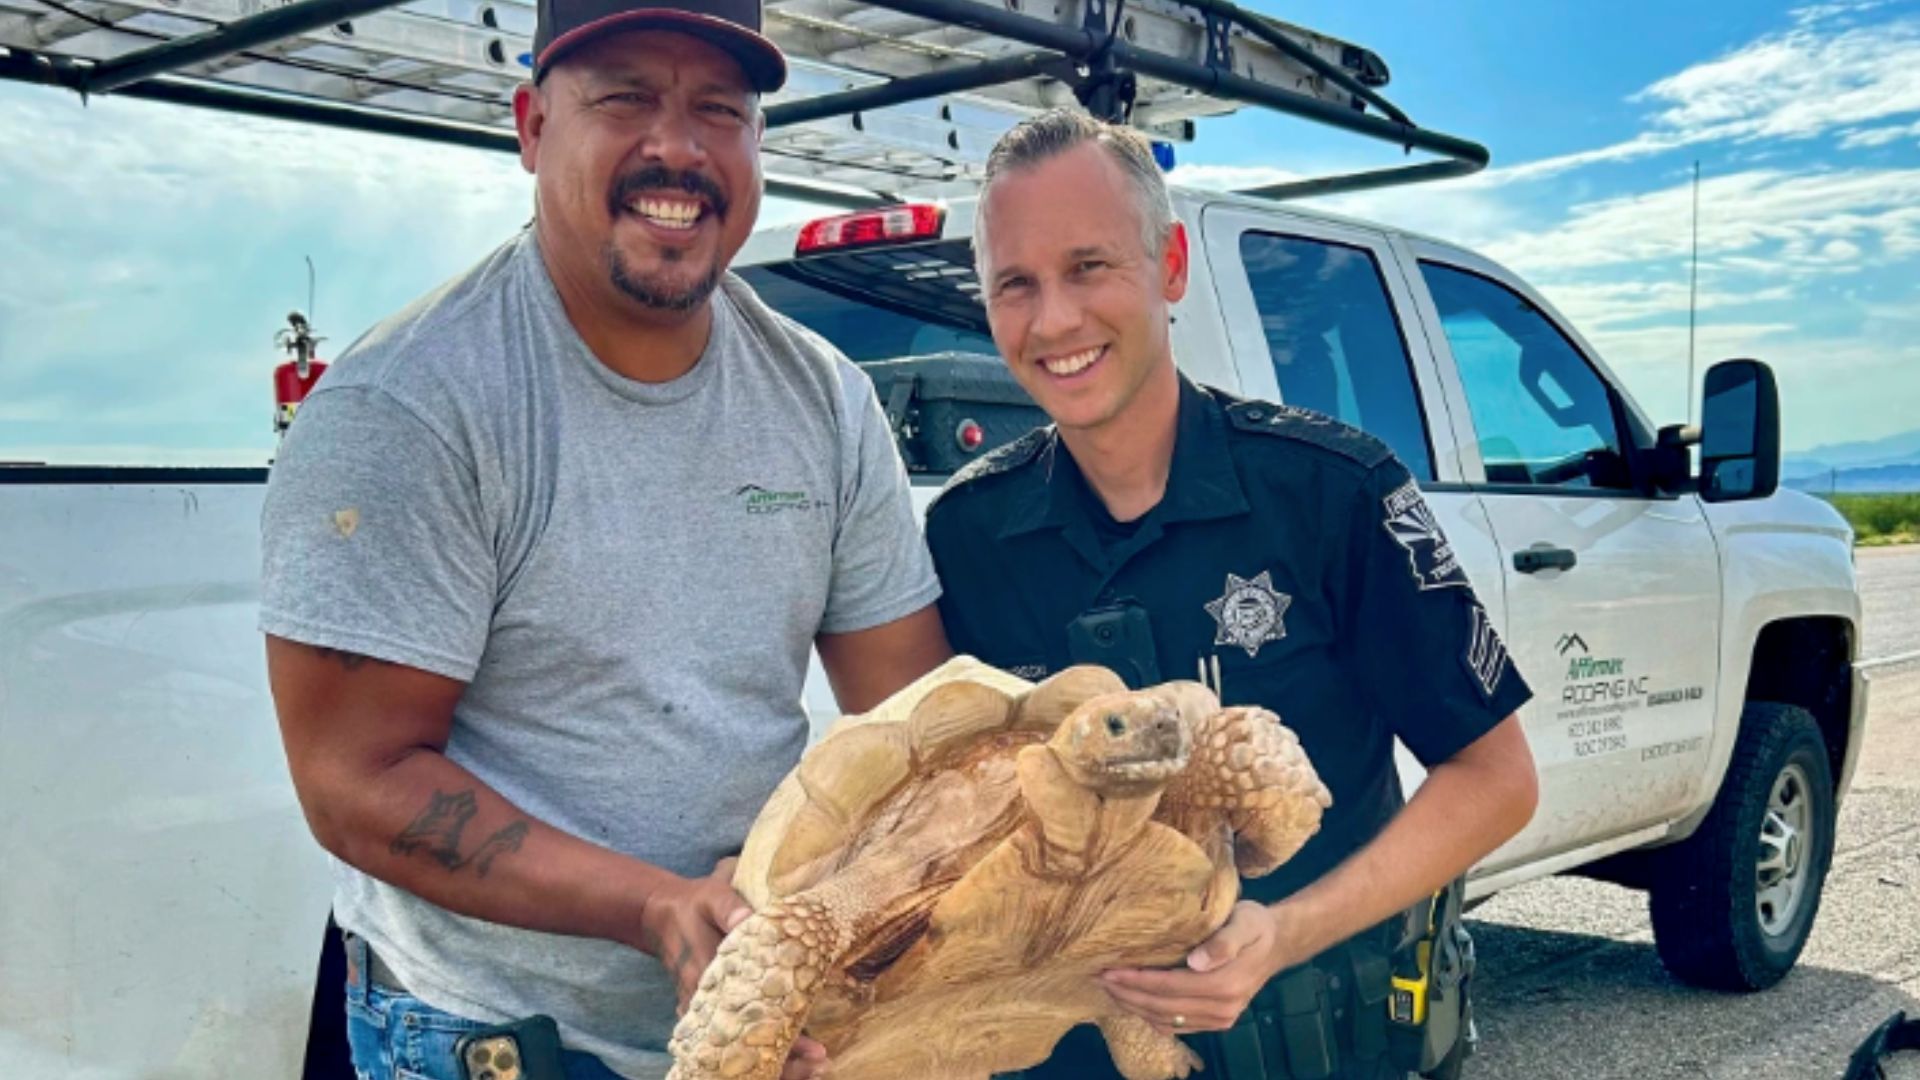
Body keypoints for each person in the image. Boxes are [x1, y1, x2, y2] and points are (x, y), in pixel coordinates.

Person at [258, 0, 951, 1075]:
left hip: (751, 1021)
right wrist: (656, 908)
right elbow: (356, 779)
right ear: (533, 126)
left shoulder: (823, 398)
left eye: (718, 109)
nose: (676, 148)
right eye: (624, 97)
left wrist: (847, 939)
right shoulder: (413, 405)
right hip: (483, 1039)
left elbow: (916, 729)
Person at [924, 109, 1540, 1079]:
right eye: (1016, 284)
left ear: (1169, 264)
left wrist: (1283, 933)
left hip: (1320, 1043)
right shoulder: (966, 534)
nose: (1054, 321)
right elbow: (945, 826)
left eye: (1089, 267)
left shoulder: (1333, 492)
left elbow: (1496, 780)